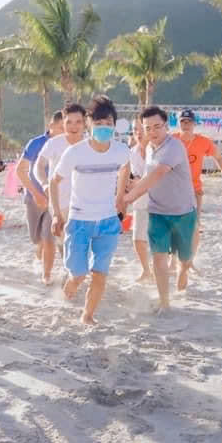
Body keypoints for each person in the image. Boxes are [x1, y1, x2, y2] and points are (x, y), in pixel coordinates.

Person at [49, 96, 130, 325]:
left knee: (100, 274)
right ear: (89, 124)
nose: (104, 128)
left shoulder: (121, 150)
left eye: (108, 124)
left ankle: (88, 315)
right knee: (79, 274)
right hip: (79, 221)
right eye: (99, 123)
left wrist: (120, 197)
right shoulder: (75, 153)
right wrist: (56, 214)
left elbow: (126, 168)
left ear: (114, 125)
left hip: (108, 221)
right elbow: (54, 181)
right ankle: (70, 287)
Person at [122, 106, 198, 312]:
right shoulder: (148, 148)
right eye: (148, 128)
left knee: (184, 258)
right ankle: (164, 302)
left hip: (182, 212)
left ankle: (184, 270)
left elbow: (157, 174)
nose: (152, 132)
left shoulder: (174, 147)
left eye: (157, 126)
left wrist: (129, 197)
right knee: (158, 257)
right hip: (157, 211)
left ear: (166, 126)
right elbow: (148, 177)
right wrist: (133, 185)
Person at [174, 109, 222, 267]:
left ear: (194, 123)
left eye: (189, 121)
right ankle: (172, 260)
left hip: (195, 189)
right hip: (174, 189)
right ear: (178, 123)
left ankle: (190, 261)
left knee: (195, 225)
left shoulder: (203, 141)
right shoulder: (171, 140)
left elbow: (219, 159)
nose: (186, 124)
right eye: (183, 121)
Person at [17, 111, 64, 282]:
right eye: (61, 128)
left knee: (49, 237)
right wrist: (36, 194)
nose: (65, 131)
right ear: (51, 126)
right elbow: (20, 171)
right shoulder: (36, 143)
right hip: (34, 198)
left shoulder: (68, 144)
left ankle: (47, 274)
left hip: (56, 199)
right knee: (36, 239)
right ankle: (39, 250)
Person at [37, 103, 87, 255]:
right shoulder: (54, 143)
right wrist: (44, 184)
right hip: (60, 204)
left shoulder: (90, 144)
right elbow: (39, 166)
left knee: (80, 245)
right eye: (69, 122)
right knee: (66, 244)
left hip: (85, 204)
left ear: (85, 123)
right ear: (63, 123)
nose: (74, 126)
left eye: (78, 122)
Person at [128, 116, 153, 283]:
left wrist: (139, 181)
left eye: (140, 129)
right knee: (137, 239)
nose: (138, 133)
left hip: (161, 200)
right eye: (134, 129)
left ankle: (167, 266)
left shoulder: (158, 149)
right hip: (140, 199)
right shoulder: (132, 152)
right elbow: (135, 178)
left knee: (160, 239)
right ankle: (146, 270)